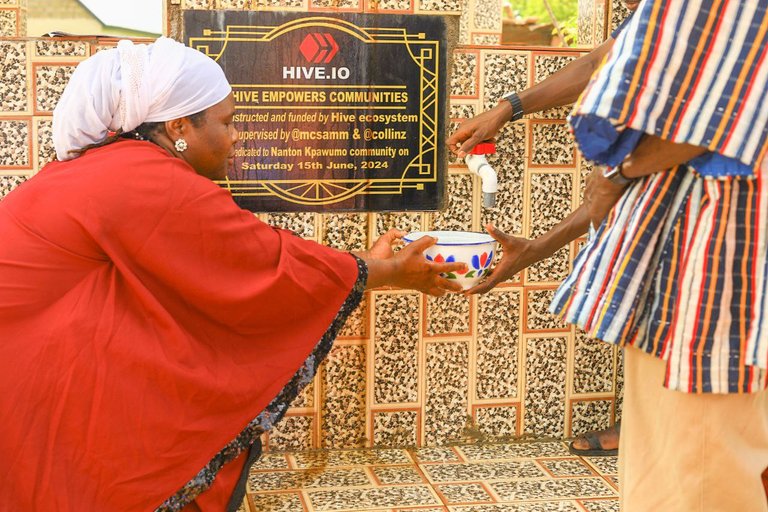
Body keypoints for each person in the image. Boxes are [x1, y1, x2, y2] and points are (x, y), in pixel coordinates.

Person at [0, 37, 466, 511]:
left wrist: (368, 265)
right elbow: (262, 261)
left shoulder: (117, 164)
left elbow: (241, 255)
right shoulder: (144, 177)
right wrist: (383, 271)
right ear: (179, 125)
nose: (237, 136)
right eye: (226, 122)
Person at [454, 1, 768, 510]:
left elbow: (720, 108)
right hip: (687, 268)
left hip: (711, 272)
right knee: (679, 463)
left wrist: (620, 170)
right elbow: (616, 53)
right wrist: (509, 109)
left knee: (696, 472)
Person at [447, 0, 639, 457]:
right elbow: (598, 63)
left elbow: (638, 170)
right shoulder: (654, 17)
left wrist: (540, 247)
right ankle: (645, 423)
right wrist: (507, 108)